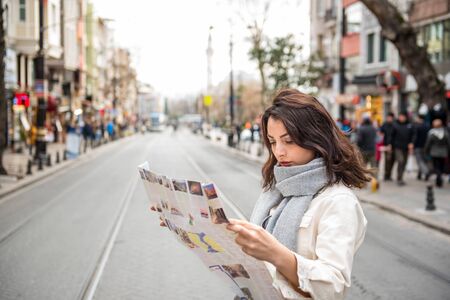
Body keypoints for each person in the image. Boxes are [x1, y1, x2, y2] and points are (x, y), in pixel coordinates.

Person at [226, 89, 370, 299]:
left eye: (289, 141)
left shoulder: (338, 201)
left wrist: (275, 253)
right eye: (273, 141)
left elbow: (333, 287)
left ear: (315, 137)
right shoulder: (277, 188)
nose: (279, 152)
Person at [424, 118, 450, 187]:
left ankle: (439, 177)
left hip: (434, 152)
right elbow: (448, 143)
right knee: (441, 165)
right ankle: (440, 176)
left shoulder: (432, 133)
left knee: (436, 166)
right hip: (443, 152)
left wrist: (426, 151)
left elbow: (428, 143)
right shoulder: (445, 132)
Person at [390, 112, 413, 186]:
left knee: (404, 163)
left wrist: (411, 143)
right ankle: (399, 178)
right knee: (401, 161)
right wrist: (390, 145)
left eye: (403, 116)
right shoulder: (395, 125)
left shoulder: (409, 125)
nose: (401, 118)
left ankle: (401, 177)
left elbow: (413, 135)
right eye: (400, 116)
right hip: (397, 147)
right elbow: (391, 136)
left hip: (406, 147)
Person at [357, 115, 378, 181]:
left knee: (363, 167)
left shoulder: (361, 128)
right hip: (372, 150)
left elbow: (359, 140)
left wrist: (358, 147)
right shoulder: (373, 128)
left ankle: (363, 182)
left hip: (364, 150)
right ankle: (374, 181)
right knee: (373, 166)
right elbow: (376, 138)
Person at [412, 115, 430, 180]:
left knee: (420, 161)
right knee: (424, 160)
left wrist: (413, 144)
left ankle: (426, 172)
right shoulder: (427, 126)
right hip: (425, 146)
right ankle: (419, 175)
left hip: (418, 146)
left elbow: (415, 137)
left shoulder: (417, 127)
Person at [380, 112, 395, 181]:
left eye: (390, 117)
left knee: (392, 161)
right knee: (387, 161)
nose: (389, 119)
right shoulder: (384, 125)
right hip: (386, 145)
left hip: (393, 145)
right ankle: (386, 175)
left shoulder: (394, 125)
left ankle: (389, 175)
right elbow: (380, 133)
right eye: (388, 117)